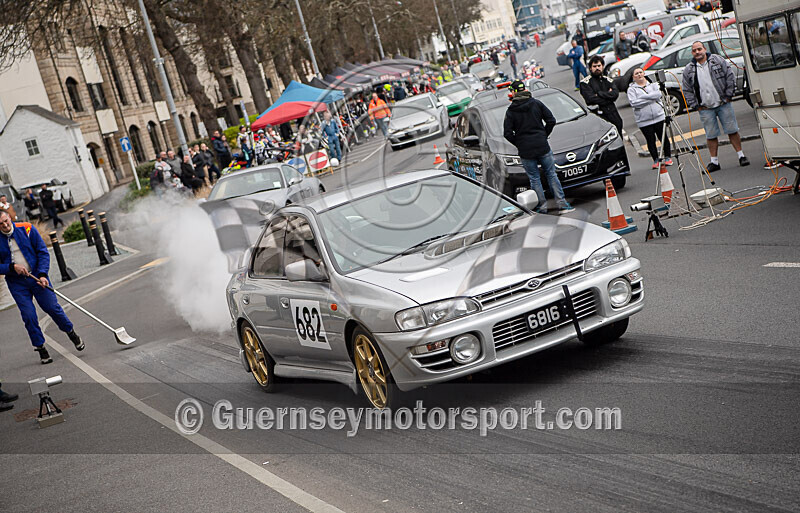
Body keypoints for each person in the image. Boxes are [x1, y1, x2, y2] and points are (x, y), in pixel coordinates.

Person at [0, 210, 84, 364]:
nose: (5, 225)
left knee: (52, 308)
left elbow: (42, 252)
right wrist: (12, 267)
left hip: (37, 277)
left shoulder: (26, 229)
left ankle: (70, 332)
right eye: (1, 224)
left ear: (10, 218)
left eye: (6, 220)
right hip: (17, 283)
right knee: (29, 315)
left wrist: (43, 274)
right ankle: (40, 347)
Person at [503, 80, 574, 215]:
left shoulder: (511, 111)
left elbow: (507, 133)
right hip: (542, 146)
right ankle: (562, 204)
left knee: (534, 178)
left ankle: (542, 208)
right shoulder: (536, 103)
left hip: (526, 151)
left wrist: (519, 142)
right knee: (551, 174)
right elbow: (551, 120)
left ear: (514, 92)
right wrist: (543, 135)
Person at [681, 41, 749, 171]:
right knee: (711, 135)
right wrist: (695, 105)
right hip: (705, 108)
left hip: (723, 103)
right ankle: (714, 162)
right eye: (694, 50)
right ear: (692, 53)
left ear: (704, 49)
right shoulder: (689, 69)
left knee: (732, 130)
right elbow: (687, 89)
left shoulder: (717, 60)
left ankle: (741, 156)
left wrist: (729, 95)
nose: (697, 52)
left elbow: (730, 76)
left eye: (699, 49)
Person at [627, 68, 673, 169]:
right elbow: (634, 103)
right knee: (650, 140)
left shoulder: (653, 84)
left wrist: (643, 97)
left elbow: (658, 95)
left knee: (663, 137)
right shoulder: (631, 89)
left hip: (659, 116)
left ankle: (668, 157)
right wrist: (650, 98)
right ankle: (656, 159)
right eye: (636, 74)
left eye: (640, 72)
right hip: (644, 121)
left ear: (644, 74)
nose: (639, 75)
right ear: (633, 77)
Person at [580, 55, 624, 134]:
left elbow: (615, 94)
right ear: (590, 68)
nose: (597, 68)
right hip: (598, 115)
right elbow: (590, 99)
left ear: (603, 66)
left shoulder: (608, 80)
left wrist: (599, 94)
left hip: (613, 114)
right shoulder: (585, 83)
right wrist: (608, 96)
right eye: (594, 66)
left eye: (599, 66)